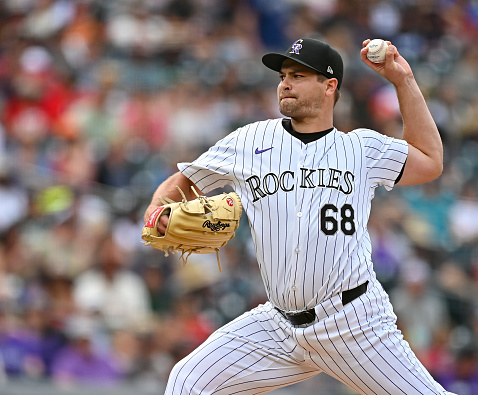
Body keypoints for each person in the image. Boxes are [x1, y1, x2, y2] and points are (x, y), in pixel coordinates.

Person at [144, 37, 453, 395]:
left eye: (299, 75)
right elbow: (186, 178)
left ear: (329, 86)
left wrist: (403, 81)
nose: (285, 83)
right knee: (188, 381)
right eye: (283, 75)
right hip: (277, 326)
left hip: (352, 322)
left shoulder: (361, 149)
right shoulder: (249, 141)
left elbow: (430, 160)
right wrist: (157, 210)